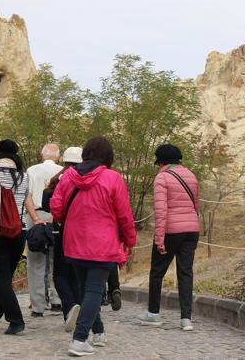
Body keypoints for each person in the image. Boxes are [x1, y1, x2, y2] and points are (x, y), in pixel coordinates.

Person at [50, 136, 136, 357]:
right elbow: (124, 214)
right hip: (102, 244)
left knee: (86, 290)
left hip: (74, 241)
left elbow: (56, 209)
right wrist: (130, 240)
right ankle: (79, 339)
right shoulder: (113, 178)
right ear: (108, 156)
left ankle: (98, 332)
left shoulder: (68, 176)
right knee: (94, 291)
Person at [0, 140, 45, 335]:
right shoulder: (24, 176)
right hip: (19, 231)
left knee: (1, 278)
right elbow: (25, 198)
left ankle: (16, 320)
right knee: (5, 277)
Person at [138, 143, 201, 332]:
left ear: (161, 162)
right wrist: (192, 223)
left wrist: (159, 239)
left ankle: (153, 314)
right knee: (186, 272)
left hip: (171, 231)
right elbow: (196, 204)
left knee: (157, 272)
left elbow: (161, 210)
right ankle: (186, 319)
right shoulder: (191, 175)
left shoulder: (162, 177)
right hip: (191, 229)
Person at [43, 146, 82, 327]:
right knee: (76, 274)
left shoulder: (58, 179)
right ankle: (78, 309)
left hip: (62, 230)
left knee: (60, 274)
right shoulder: (87, 179)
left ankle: (70, 308)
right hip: (83, 231)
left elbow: (46, 205)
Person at [25, 143, 64, 316]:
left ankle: (38, 305)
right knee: (58, 261)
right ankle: (58, 299)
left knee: (35, 262)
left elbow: (27, 196)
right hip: (57, 216)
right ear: (58, 157)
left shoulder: (31, 170)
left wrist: (35, 218)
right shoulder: (63, 171)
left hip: (36, 214)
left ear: (42, 155)